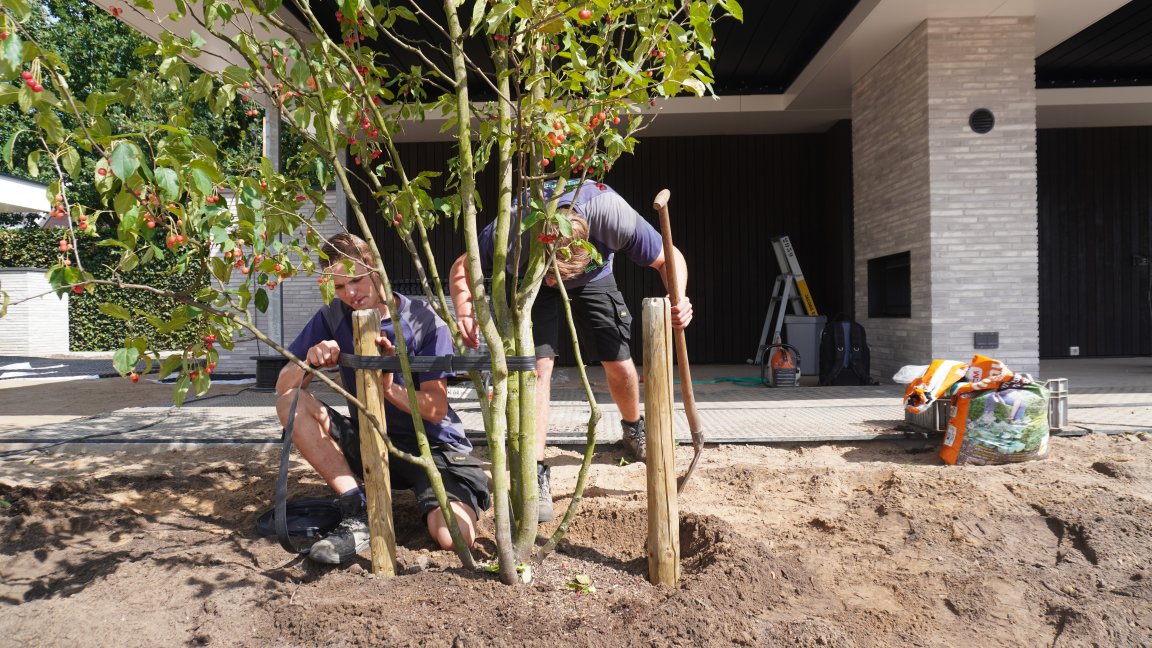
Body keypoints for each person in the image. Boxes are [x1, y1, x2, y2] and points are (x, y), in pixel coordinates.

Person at [449, 179, 692, 522]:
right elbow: (462, 266)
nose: (555, 283)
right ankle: (534, 471)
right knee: (536, 368)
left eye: (559, 275)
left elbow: (669, 259)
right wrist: (465, 309)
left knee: (618, 360)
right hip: (526, 281)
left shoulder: (612, 214)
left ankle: (633, 426)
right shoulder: (514, 226)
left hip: (593, 279)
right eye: (553, 275)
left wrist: (677, 299)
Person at [276, 233, 490, 564]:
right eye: (339, 287)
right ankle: (356, 506)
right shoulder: (333, 317)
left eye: (356, 281)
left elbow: (435, 410)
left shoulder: (424, 321)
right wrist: (310, 361)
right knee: (291, 401)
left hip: (432, 449)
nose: (350, 294)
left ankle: (456, 494)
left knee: (453, 538)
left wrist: (388, 386)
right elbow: (282, 388)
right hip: (371, 442)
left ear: (375, 269)